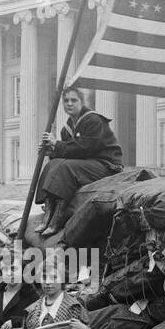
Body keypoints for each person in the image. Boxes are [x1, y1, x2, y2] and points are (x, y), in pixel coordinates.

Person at [36, 86, 123, 237]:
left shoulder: (93, 120)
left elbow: (85, 149)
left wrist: (56, 144)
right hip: (85, 165)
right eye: (66, 101)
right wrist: (53, 152)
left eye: (74, 100)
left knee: (66, 167)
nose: (69, 103)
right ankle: (48, 212)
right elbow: (69, 154)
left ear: (82, 102)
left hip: (106, 165)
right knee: (53, 164)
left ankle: (58, 218)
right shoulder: (67, 128)